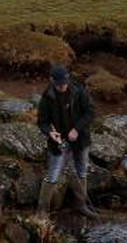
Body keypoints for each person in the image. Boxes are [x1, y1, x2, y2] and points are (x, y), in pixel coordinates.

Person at [36, 64, 98, 219]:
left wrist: (77, 129)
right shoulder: (46, 98)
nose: (63, 87)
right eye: (59, 85)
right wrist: (51, 133)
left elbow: (91, 112)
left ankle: (81, 205)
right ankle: (42, 210)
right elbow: (42, 121)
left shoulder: (79, 91)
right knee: (52, 175)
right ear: (52, 81)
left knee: (81, 171)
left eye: (64, 83)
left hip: (80, 140)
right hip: (59, 143)